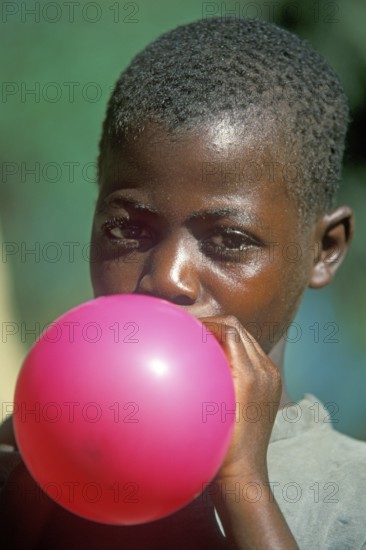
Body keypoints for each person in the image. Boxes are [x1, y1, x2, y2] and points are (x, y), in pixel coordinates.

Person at [1, 16, 365, 549]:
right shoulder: (15, 465)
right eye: (128, 228)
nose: (167, 279)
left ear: (324, 249)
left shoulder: (350, 495)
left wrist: (244, 490)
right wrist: (33, 484)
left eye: (230, 239)